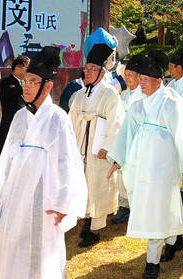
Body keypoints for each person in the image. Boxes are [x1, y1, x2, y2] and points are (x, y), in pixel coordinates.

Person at [0, 47, 87, 279]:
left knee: (40, 248)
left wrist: (63, 203)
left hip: (44, 197)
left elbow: (67, 164)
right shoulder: (20, 117)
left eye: (33, 82)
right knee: (13, 244)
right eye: (25, 81)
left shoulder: (57, 119)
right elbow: (7, 158)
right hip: (16, 194)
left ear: (48, 86)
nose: (26, 86)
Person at [107, 51, 183, 279]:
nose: (141, 84)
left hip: (163, 165)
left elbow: (182, 134)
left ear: (158, 82)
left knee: (157, 208)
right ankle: (174, 239)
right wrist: (118, 159)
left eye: (145, 81)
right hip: (142, 165)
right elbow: (128, 132)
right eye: (140, 80)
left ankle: (152, 263)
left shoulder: (171, 102)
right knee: (155, 205)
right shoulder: (138, 102)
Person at [69, 43, 125, 247]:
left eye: (92, 69)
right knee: (83, 182)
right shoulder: (80, 94)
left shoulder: (111, 94)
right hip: (81, 145)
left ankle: (95, 228)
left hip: (98, 148)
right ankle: (86, 217)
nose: (87, 72)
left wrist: (107, 147)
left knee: (98, 184)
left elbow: (117, 123)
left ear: (102, 72)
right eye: (86, 68)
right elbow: (72, 120)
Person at [112, 53, 146, 225]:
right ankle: (125, 205)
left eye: (130, 75)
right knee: (123, 172)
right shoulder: (123, 96)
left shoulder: (145, 95)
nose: (127, 78)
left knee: (138, 173)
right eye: (125, 75)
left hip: (140, 142)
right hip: (124, 139)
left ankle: (138, 206)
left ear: (139, 77)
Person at [0, 55, 30, 156]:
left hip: (22, 127)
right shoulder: (6, 82)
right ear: (17, 68)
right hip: (9, 126)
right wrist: (26, 85)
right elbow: (12, 91)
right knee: (5, 156)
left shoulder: (25, 84)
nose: (28, 71)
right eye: (27, 68)